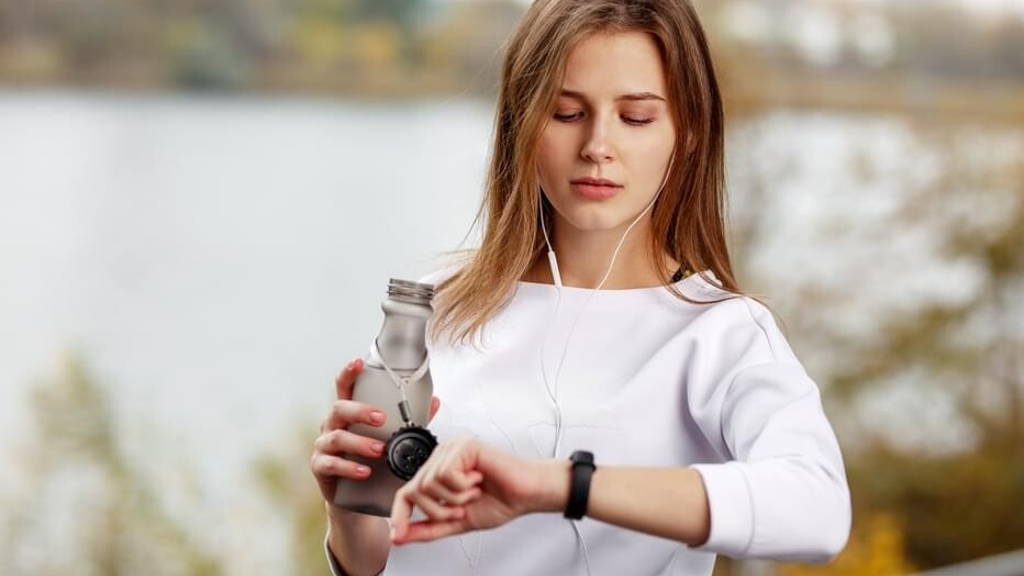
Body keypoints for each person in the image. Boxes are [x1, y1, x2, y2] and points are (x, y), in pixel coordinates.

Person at [310, 1, 852, 574]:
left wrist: (561, 485)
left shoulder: (720, 333)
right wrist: (348, 512)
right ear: (522, 123)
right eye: (567, 113)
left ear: (688, 131)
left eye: (636, 117)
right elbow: (374, 558)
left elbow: (817, 510)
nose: (598, 145)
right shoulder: (433, 305)